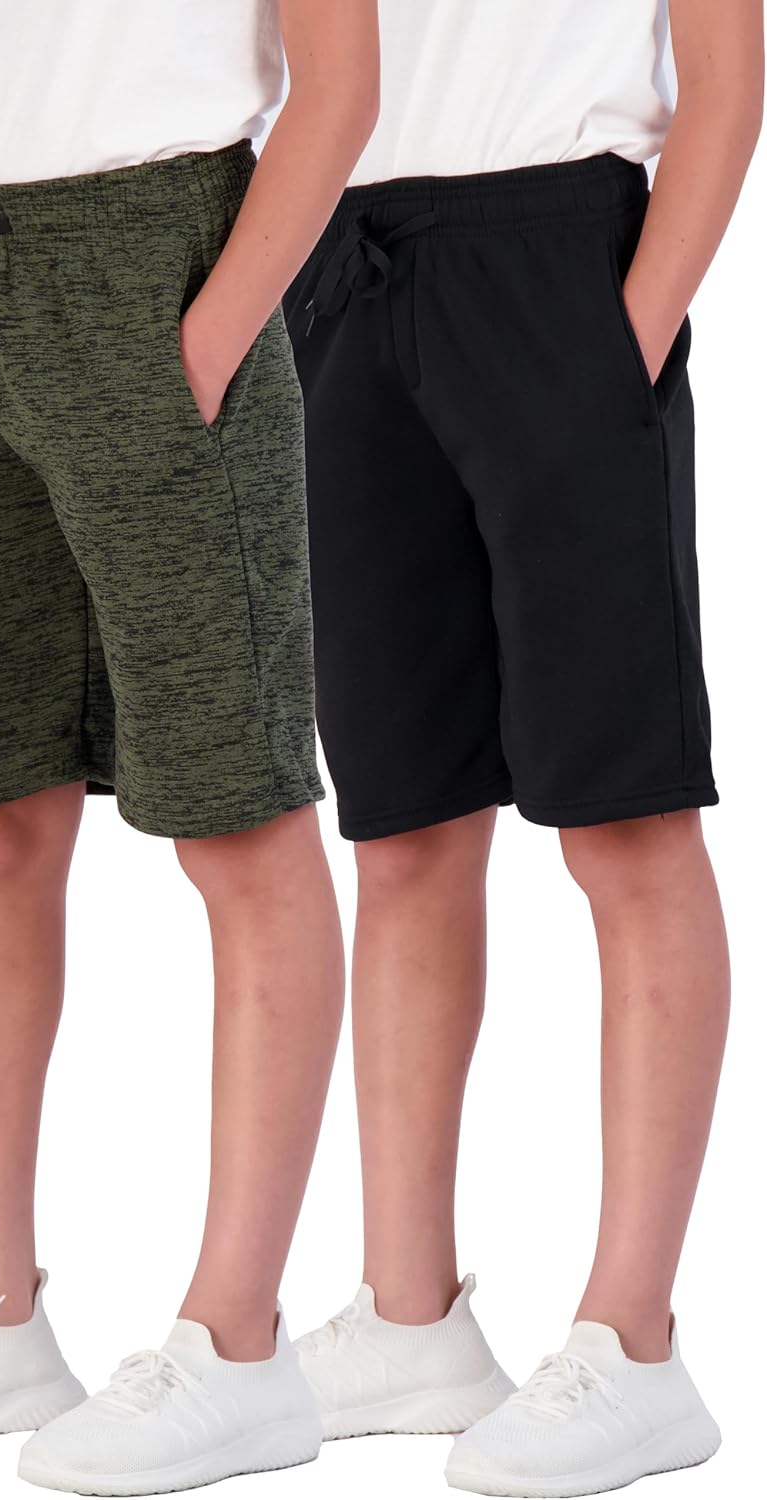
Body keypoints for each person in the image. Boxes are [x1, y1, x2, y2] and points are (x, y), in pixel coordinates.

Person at [0, 2, 378, 1493]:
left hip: (154, 254)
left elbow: (341, 83)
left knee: (239, 814)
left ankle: (238, 1345)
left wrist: (205, 338)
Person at [285, 1, 761, 1495]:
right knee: (403, 829)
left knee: (626, 820)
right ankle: (409, 1316)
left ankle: (634, 1343)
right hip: (346, 270)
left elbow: (727, 80)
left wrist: (620, 344)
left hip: (561, 266)